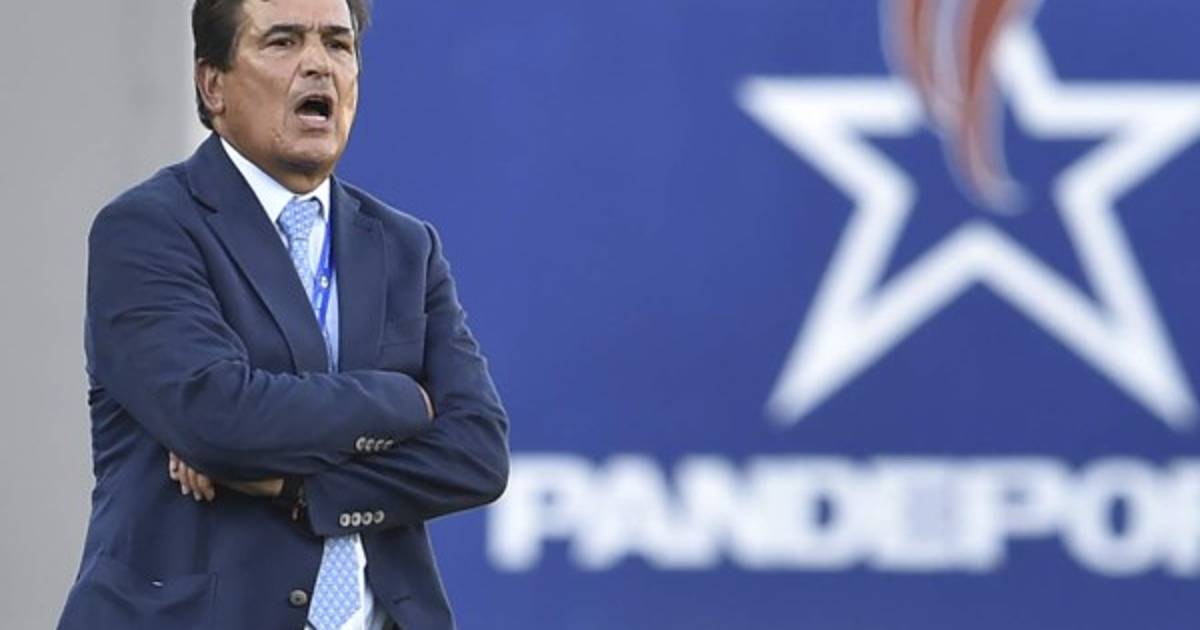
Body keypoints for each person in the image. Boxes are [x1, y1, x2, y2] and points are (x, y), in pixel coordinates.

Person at [57, 0, 509, 628]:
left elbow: (476, 453)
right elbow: (219, 420)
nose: (318, 65)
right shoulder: (147, 230)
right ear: (212, 84)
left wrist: (299, 488)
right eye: (283, 42)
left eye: (338, 44)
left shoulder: (407, 246)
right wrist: (404, 402)